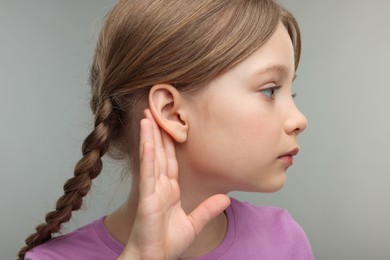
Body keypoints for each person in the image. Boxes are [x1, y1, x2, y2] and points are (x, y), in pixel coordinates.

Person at [18, 0, 314, 259]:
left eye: (292, 93)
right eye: (270, 91)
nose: (299, 119)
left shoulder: (285, 240)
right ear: (172, 113)